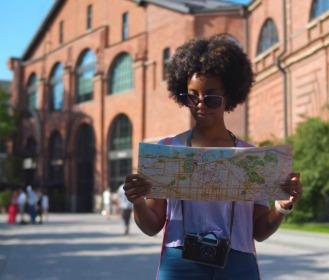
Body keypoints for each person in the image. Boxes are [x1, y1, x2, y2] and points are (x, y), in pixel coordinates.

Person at [124, 35, 302, 279]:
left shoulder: (252, 157)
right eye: (192, 96)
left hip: (237, 262)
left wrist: (282, 208)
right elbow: (151, 225)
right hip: (180, 260)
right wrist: (137, 202)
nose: (200, 105)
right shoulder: (167, 151)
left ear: (228, 96)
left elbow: (259, 230)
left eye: (211, 98)